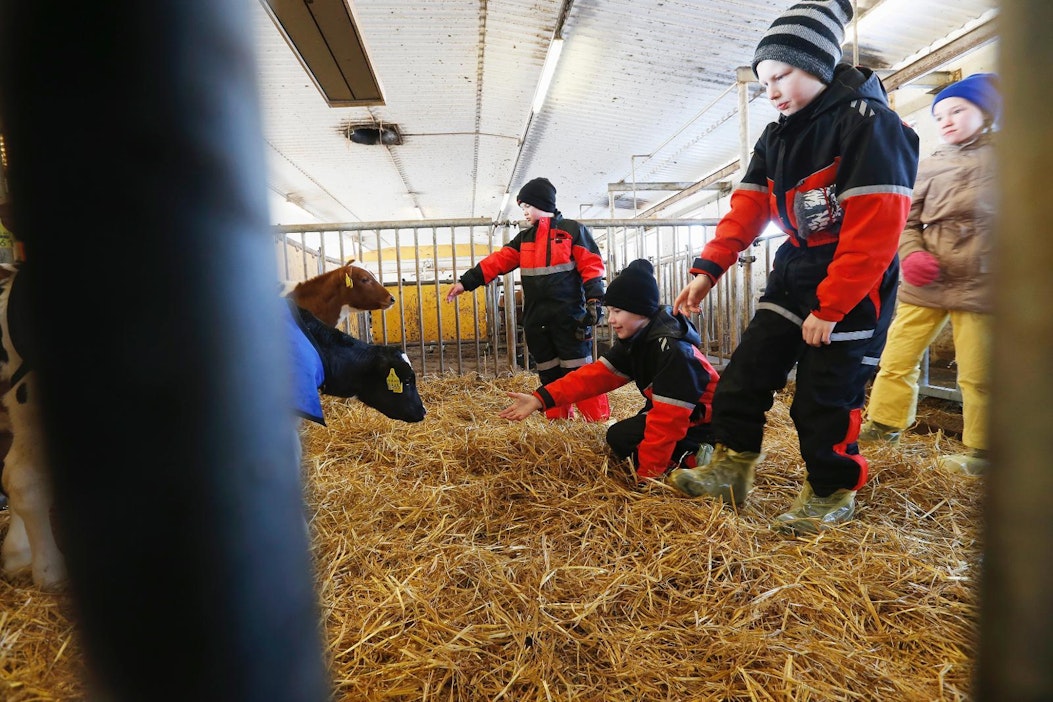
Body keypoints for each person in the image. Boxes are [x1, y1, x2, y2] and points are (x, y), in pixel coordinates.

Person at [666, 0, 920, 535]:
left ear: (818, 65)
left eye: (782, 74)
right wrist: (709, 268)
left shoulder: (872, 125)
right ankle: (731, 471)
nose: (771, 89)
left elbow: (875, 227)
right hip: (797, 269)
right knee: (745, 375)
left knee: (823, 397)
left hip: (855, 279)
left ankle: (831, 491)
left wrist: (832, 307)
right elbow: (750, 206)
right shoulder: (778, 134)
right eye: (764, 79)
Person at [858, 73, 1000, 476]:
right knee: (896, 358)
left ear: (988, 113)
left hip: (982, 286)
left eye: (958, 110)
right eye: (939, 115)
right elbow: (907, 220)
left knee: (978, 373)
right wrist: (913, 254)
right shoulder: (930, 165)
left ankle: (982, 453)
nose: (947, 121)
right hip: (927, 282)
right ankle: (884, 426)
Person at [499, 259, 720, 483]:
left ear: (640, 310)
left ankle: (702, 458)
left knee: (632, 439)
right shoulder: (639, 340)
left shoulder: (672, 350)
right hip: (685, 415)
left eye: (617, 311)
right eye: (609, 311)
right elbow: (593, 377)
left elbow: (667, 422)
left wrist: (648, 479)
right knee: (620, 437)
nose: (611, 319)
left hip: (707, 422)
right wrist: (540, 399)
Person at [446, 176, 610, 421]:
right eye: (522, 207)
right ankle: (558, 422)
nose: (523, 212)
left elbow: (591, 266)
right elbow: (498, 261)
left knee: (579, 371)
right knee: (549, 372)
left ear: (541, 203)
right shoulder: (525, 239)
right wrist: (466, 282)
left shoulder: (572, 231)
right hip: (538, 321)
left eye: (526, 206)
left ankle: (596, 422)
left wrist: (595, 299)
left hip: (569, 318)